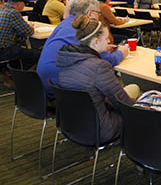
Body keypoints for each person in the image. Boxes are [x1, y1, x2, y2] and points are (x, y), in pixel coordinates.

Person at [56, 15, 140, 143]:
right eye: (106, 38)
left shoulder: (66, 59)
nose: (108, 42)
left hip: (71, 125)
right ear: (95, 42)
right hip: (100, 130)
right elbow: (122, 103)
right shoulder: (99, 67)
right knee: (135, 90)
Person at [37, 0, 128, 99]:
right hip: (65, 90)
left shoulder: (65, 24)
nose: (98, 17)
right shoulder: (84, 30)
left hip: (44, 84)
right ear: (90, 14)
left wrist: (100, 48)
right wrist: (121, 52)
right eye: (98, 14)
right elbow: (107, 60)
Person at [0, 0, 40, 87]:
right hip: (1, 51)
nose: (24, 6)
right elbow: (28, 32)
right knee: (36, 54)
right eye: (23, 3)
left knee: (19, 50)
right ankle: (11, 73)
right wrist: (30, 26)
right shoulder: (13, 13)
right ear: (19, 3)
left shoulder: (0, 11)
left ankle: (4, 71)